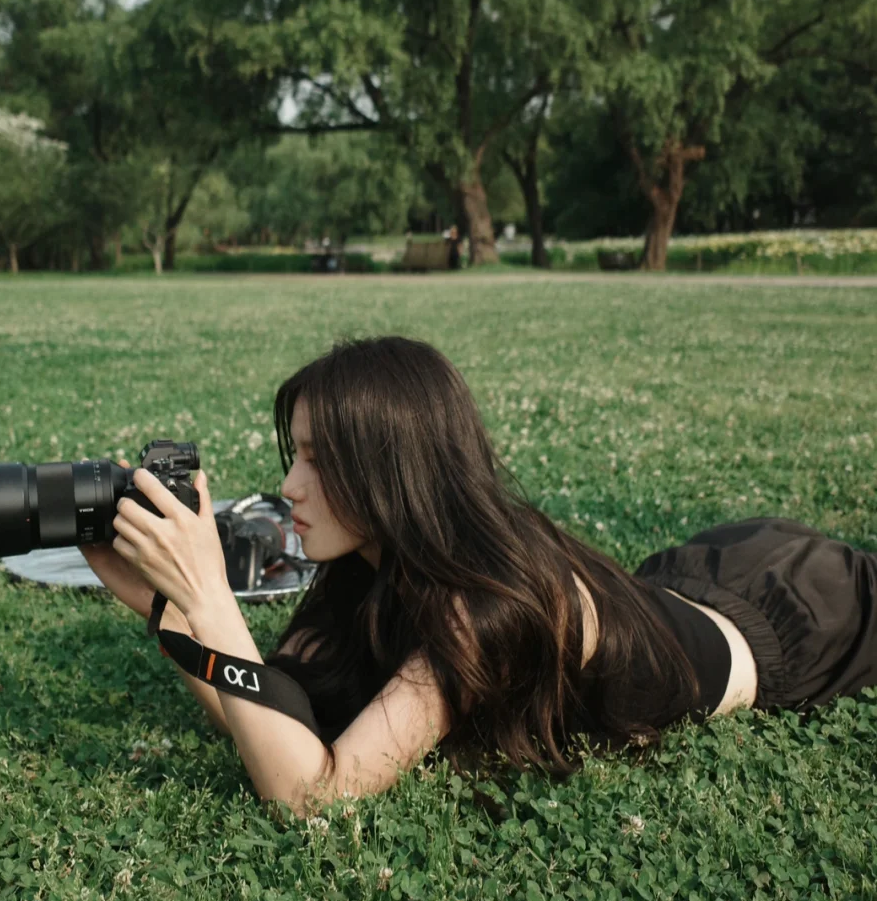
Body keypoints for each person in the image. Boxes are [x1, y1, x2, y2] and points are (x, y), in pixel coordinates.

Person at [80, 336, 877, 818]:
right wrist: (168, 607)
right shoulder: (368, 569)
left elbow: (311, 797)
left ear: (390, 474)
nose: (289, 486)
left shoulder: (479, 611)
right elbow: (271, 711)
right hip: (686, 578)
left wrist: (214, 599)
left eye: (320, 461)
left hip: (800, 616)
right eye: (298, 455)